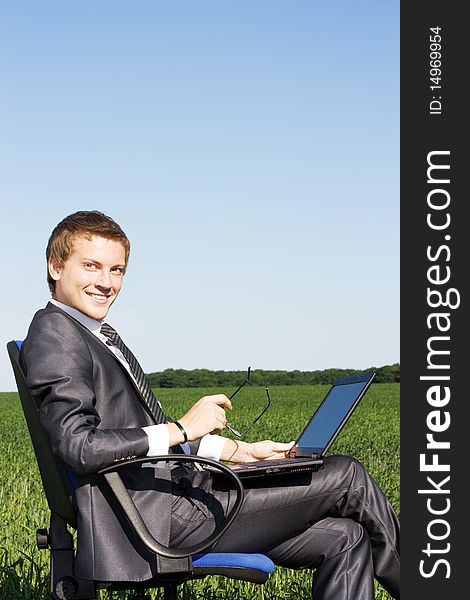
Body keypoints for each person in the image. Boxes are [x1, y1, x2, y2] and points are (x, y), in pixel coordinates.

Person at [20, 210, 400, 600]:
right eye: (91, 266)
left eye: (117, 270)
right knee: (347, 475)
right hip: (159, 517)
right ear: (55, 265)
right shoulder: (57, 333)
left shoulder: (94, 335)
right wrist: (181, 428)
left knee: (346, 537)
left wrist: (243, 452)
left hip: (178, 501)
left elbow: (139, 433)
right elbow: (79, 446)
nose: (106, 282)